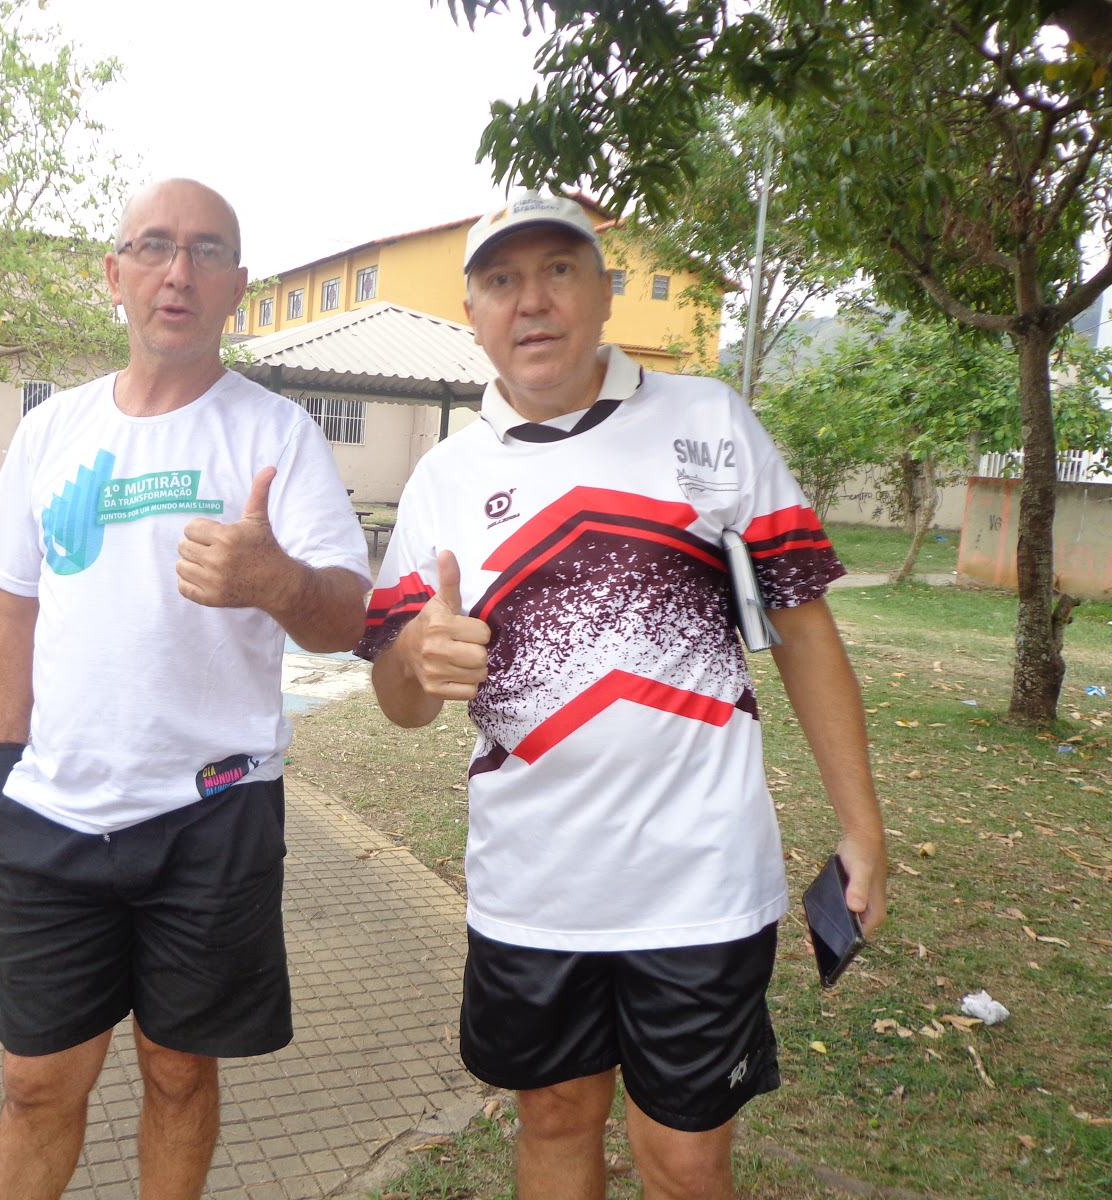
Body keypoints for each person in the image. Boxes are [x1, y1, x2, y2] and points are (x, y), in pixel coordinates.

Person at [357, 192, 888, 1200]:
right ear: (472, 314)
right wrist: (417, 658)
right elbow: (401, 700)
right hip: (531, 890)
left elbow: (804, 633)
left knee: (684, 1159)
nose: (532, 302)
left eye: (558, 271)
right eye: (502, 281)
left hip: (700, 882)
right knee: (555, 1121)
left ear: (605, 292)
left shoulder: (709, 421)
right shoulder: (443, 478)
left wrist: (861, 829)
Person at [0, 177, 371, 1200]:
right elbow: (10, 612)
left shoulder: (275, 435)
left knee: (179, 1073)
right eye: (153, 246)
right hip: (50, 814)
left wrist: (275, 580)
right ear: (115, 274)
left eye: (205, 251)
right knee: (35, 1083)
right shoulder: (53, 431)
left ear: (238, 285)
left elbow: (350, 618)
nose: (177, 272)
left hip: (213, 813)